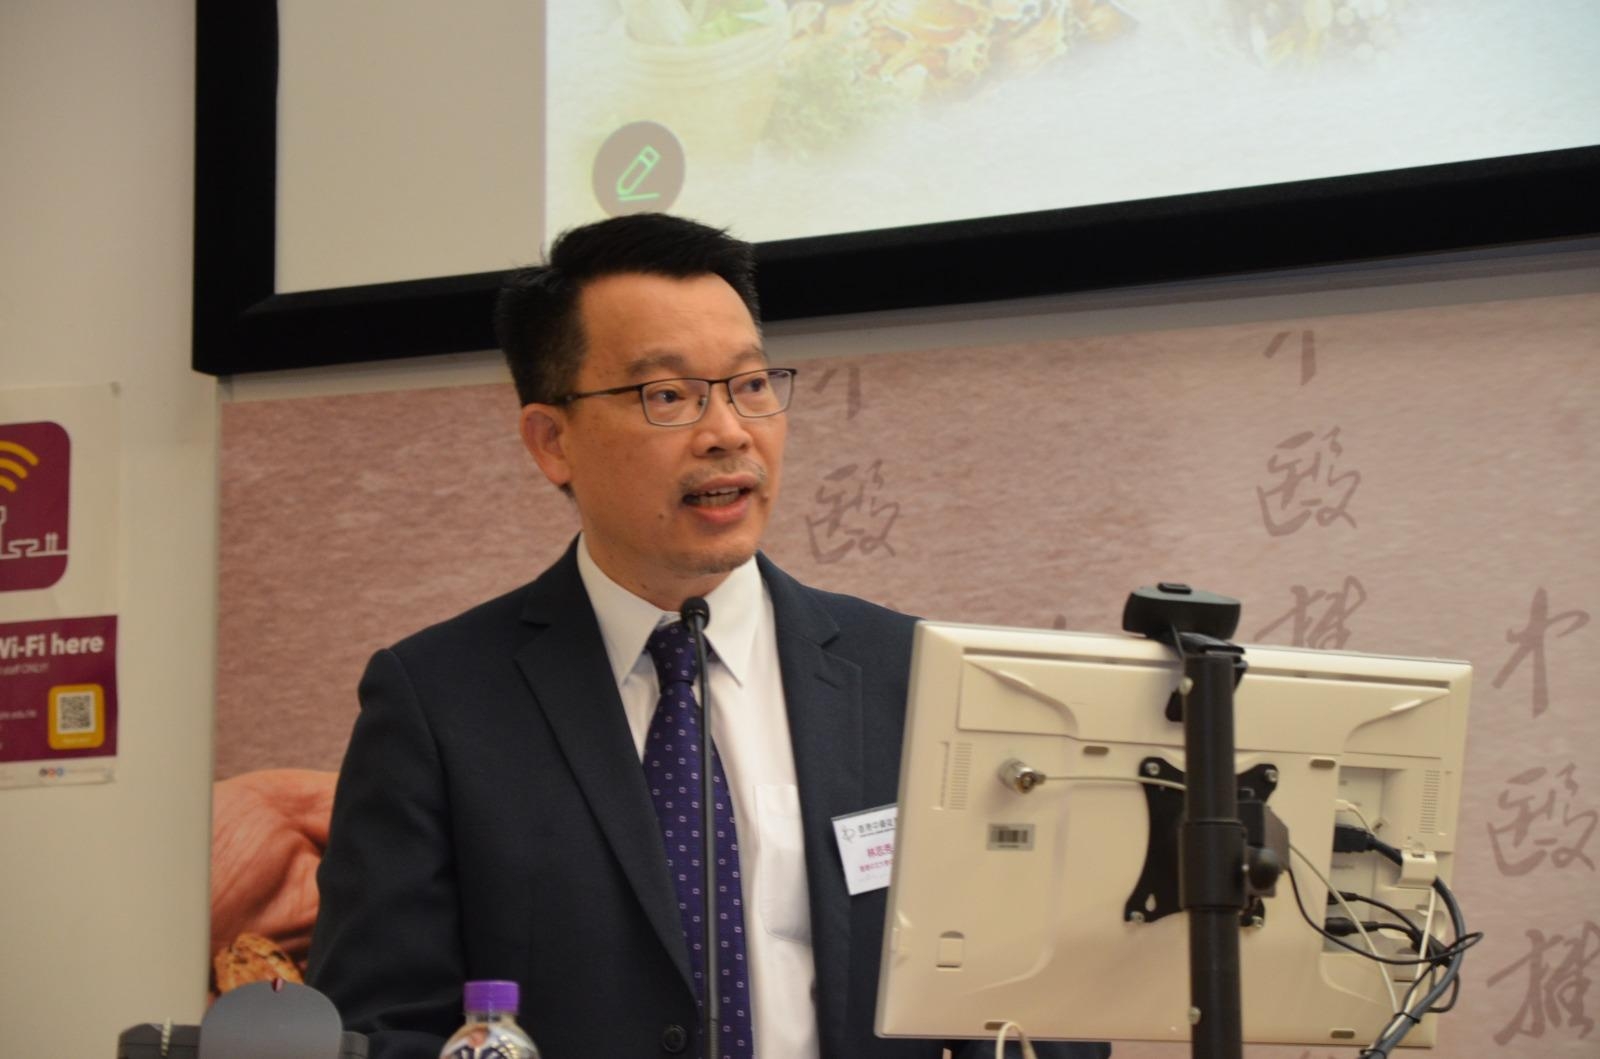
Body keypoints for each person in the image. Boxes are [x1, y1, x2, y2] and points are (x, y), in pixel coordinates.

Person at [307, 213, 1108, 1059]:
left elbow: (1026, 1005)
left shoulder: (912, 676)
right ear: (552, 441)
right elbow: (377, 1026)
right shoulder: (440, 702)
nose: (729, 431)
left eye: (750, 385)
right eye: (668, 396)